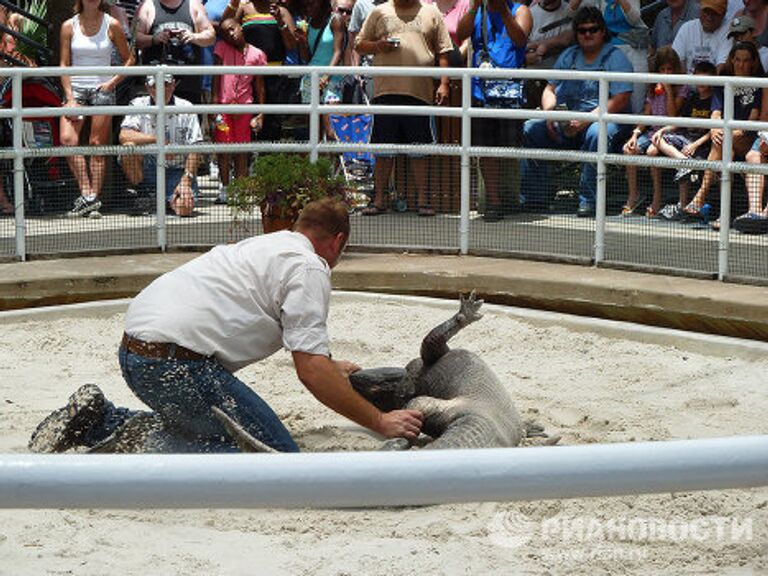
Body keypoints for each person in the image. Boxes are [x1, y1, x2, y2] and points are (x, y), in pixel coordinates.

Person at [117, 198, 423, 452]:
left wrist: (328, 365)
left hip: (134, 353)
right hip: (175, 366)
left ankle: (104, 423)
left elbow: (310, 353)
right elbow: (311, 371)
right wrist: (380, 421)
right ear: (338, 241)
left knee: (207, 426)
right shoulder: (309, 266)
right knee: (273, 457)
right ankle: (145, 445)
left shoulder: (266, 244)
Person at [520, 6, 633, 217]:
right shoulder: (568, 56)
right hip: (566, 121)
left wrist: (588, 120)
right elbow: (549, 89)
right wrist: (551, 115)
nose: (588, 34)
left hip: (602, 121)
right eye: (582, 30)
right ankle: (534, 199)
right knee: (530, 128)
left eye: (593, 29)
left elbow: (621, 98)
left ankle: (588, 201)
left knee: (596, 135)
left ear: (603, 31)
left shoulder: (616, 58)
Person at [355, 0, 454, 217]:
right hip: (385, 91)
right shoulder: (379, 12)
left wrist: (444, 83)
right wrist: (378, 46)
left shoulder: (431, 12)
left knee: (420, 150)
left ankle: (423, 201)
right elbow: (359, 44)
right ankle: (379, 199)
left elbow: (443, 51)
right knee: (383, 150)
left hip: (420, 92)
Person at [455, 0, 532, 222]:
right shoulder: (478, 10)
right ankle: (494, 202)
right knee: (485, 149)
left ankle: (514, 198)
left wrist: (504, 11)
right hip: (481, 91)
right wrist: (473, 6)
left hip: (510, 91)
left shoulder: (520, 10)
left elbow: (520, 39)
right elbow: (461, 33)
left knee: (510, 148)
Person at [60, 0, 134, 219]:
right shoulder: (68, 26)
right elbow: (63, 64)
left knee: (97, 145)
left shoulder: (112, 24)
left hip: (102, 88)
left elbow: (130, 59)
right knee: (67, 140)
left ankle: (90, 201)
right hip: (76, 90)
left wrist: (111, 83)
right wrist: (70, 97)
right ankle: (89, 195)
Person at [684, 41, 764, 226]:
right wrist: (715, 127)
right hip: (727, 137)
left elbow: (753, 118)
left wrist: (734, 131)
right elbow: (716, 112)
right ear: (731, 60)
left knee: (721, 144)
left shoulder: (759, 82)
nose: (741, 64)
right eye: (737, 59)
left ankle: (701, 198)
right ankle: (720, 212)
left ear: (753, 62)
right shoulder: (724, 80)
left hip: (748, 136)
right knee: (721, 144)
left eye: (745, 60)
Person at [118, 74, 203, 217]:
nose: (160, 89)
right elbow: (124, 135)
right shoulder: (137, 104)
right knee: (128, 147)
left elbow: (196, 146)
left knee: (185, 209)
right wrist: (157, 140)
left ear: (173, 85)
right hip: (149, 166)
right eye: (155, 85)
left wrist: (186, 180)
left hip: (178, 169)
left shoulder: (187, 107)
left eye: (165, 84)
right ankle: (143, 191)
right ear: (147, 87)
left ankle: (167, 199)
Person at [621, 46, 685, 218]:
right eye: (662, 70)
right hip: (652, 133)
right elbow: (646, 114)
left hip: (672, 133)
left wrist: (669, 90)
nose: (665, 73)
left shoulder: (682, 88)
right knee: (628, 150)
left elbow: (673, 117)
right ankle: (633, 195)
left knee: (652, 151)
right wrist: (635, 134)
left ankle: (657, 197)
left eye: (669, 69)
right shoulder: (653, 89)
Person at [222, 0, 297, 141]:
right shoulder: (243, 8)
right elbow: (225, 28)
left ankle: (269, 160)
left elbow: (292, 45)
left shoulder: (282, 11)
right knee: (247, 120)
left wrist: (280, 21)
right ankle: (247, 160)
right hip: (248, 76)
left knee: (272, 122)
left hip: (274, 75)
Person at [653, 60, 716, 222]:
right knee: (660, 140)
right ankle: (683, 163)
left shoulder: (715, 99)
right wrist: (662, 129)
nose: (701, 83)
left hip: (702, 145)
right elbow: (681, 120)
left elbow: (713, 130)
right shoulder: (692, 98)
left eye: (705, 79)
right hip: (686, 139)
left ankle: (682, 202)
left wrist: (695, 144)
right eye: (698, 78)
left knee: (684, 161)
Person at [212, 18, 266, 204]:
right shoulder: (221, 48)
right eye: (226, 33)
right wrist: (213, 105)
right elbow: (216, 79)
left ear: (241, 27)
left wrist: (261, 112)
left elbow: (260, 86)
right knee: (223, 149)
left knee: (242, 150)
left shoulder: (257, 54)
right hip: (224, 107)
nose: (231, 34)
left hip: (245, 107)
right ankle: (225, 188)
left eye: (232, 29)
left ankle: (240, 189)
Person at [133, 0, 215, 103]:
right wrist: (154, 39)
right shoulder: (147, 5)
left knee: (190, 116)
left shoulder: (194, 4)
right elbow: (135, 39)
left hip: (188, 81)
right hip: (157, 82)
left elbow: (210, 35)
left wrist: (193, 36)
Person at [672, 0, 731, 74]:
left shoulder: (728, 30)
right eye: (706, 11)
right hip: (687, 83)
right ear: (700, 9)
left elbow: (721, 67)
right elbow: (677, 62)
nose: (709, 17)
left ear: (724, 14)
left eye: (714, 13)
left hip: (713, 83)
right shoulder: (687, 28)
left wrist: (705, 84)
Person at [526, 0, 575, 70]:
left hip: (562, 74)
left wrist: (540, 44)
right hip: (534, 73)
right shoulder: (529, 14)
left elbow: (565, 39)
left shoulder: (570, 10)